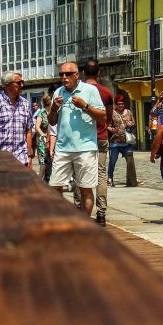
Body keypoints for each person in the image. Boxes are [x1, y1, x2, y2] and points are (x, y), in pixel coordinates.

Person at [47, 62, 106, 217]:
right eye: (61, 75)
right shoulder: (58, 92)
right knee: (55, 187)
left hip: (85, 147)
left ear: (77, 75)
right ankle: (61, 221)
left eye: (67, 74)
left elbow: (103, 117)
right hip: (63, 147)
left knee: (85, 189)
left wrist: (85, 106)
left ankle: (84, 224)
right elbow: (52, 122)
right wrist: (53, 108)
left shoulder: (90, 90)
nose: (64, 78)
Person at [81, 59, 113, 226]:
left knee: (80, 176)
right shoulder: (106, 92)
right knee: (101, 175)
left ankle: (81, 210)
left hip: (82, 140)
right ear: (99, 73)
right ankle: (101, 213)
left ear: (83, 73)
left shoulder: (79, 92)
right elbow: (108, 116)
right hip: (101, 137)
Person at [0, 72, 33, 167]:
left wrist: (29, 156)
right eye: (18, 82)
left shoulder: (25, 103)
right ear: (7, 85)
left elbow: (28, 131)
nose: (22, 85)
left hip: (21, 159)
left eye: (22, 82)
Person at [107, 95, 135, 187]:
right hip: (115, 141)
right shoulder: (112, 113)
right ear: (116, 104)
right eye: (119, 104)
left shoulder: (128, 112)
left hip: (127, 141)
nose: (121, 105)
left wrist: (130, 124)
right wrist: (111, 129)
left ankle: (131, 179)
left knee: (130, 162)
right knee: (112, 161)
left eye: (122, 104)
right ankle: (110, 178)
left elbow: (133, 123)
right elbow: (107, 125)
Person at [34, 95, 50, 180]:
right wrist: (43, 135)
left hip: (52, 138)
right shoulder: (42, 113)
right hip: (42, 139)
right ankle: (39, 180)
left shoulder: (54, 112)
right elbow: (37, 126)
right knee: (43, 161)